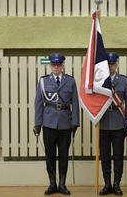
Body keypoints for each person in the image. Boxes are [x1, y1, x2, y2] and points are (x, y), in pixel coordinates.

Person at [34, 53, 79, 195]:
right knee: (50, 154)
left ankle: (62, 184)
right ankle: (52, 183)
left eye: (59, 64)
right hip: (48, 123)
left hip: (65, 122)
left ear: (63, 66)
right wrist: (38, 124)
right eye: (54, 64)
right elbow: (39, 103)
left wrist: (75, 122)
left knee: (64, 155)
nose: (56, 67)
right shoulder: (43, 81)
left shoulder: (70, 81)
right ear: (50, 66)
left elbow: (75, 103)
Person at [99, 52, 127, 196]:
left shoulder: (124, 81)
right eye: (108, 63)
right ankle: (107, 184)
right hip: (104, 123)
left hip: (119, 123)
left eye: (113, 63)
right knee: (105, 156)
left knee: (118, 156)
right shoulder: (99, 81)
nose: (110, 66)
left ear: (117, 64)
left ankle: (117, 184)